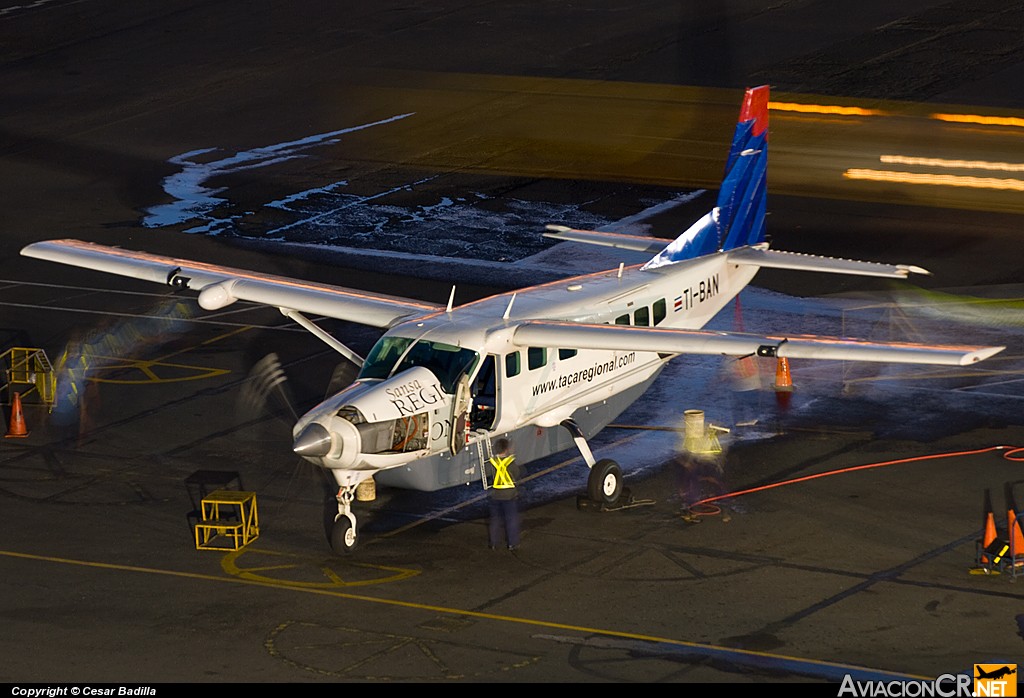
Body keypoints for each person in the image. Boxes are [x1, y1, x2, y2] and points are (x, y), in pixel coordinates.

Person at [487, 437, 523, 550]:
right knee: (511, 520)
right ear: (506, 449)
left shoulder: (491, 463)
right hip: (510, 496)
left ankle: (493, 543)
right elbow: (517, 474)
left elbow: (488, 475)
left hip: (495, 495)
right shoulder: (510, 463)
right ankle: (512, 543)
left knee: (495, 520)